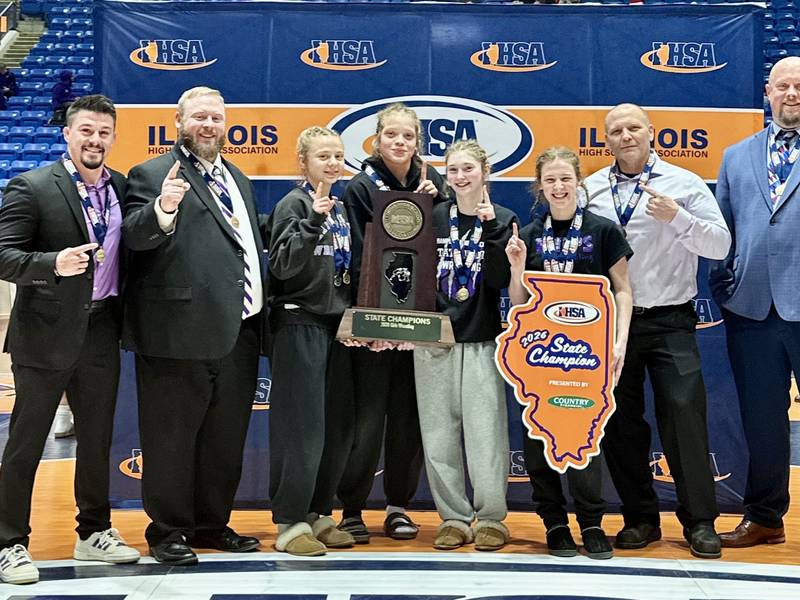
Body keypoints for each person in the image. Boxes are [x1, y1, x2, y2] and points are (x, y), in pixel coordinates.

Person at [0, 95, 140, 585]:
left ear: (113, 137)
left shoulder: (122, 188)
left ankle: (94, 531)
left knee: (98, 440)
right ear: (67, 133)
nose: (94, 140)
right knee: (26, 443)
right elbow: (3, 255)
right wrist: (50, 265)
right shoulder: (33, 187)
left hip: (102, 329)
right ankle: (8, 542)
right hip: (44, 333)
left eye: (103, 132)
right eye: (86, 130)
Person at [122, 86, 264, 565]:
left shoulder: (238, 177)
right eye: (200, 117)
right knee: (171, 438)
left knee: (223, 440)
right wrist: (162, 209)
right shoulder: (151, 173)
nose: (209, 125)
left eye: (217, 118)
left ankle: (210, 524)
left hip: (237, 330)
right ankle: (167, 530)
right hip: (176, 332)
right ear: (178, 121)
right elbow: (133, 238)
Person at [585, 103, 731, 559]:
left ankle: (700, 522)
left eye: (633, 128)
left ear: (652, 132)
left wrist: (679, 218)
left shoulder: (684, 184)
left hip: (671, 319)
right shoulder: (591, 189)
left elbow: (722, 244)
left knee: (684, 416)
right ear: (605, 140)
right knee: (621, 423)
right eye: (615, 130)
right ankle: (640, 518)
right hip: (612, 323)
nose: (625, 136)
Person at [506, 146, 632, 560]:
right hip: (540, 357)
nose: (559, 187)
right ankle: (555, 523)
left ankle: (592, 523)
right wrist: (516, 267)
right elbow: (518, 299)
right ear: (539, 187)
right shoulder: (527, 235)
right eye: (550, 180)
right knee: (540, 435)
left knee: (585, 437)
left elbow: (624, 290)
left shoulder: (602, 230)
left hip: (587, 357)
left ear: (579, 182)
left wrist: (619, 340)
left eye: (566, 179)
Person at [337, 103, 447, 543]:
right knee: (365, 422)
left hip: (418, 322)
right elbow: (361, 254)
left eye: (408, 136)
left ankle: (398, 506)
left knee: (407, 419)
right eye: (391, 135)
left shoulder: (434, 183)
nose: (400, 143)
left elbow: (443, 247)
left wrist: (431, 206)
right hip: (374, 324)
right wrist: (376, 325)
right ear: (376, 140)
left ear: (417, 142)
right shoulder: (361, 187)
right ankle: (351, 508)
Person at [710, 56, 800, 548]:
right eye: (782, 85)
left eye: (799, 86)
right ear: (767, 92)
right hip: (752, 308)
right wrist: (727, 283)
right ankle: (765, 516)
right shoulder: (735, 155)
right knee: (762, 420)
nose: (791, 93)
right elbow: (722, 228)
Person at [414, 140, 516, 551]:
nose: (459, 177)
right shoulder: (434, 216)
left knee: (485, 432)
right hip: (434, 339)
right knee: (438, 433)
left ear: (484, 172)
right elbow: (410, 270)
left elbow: (497, 282)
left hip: (481, 339)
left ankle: (491, 518)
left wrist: (491, 230)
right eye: (452, 170)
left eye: (467, 169)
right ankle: (453, 516)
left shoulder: (504, 219)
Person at [265, 126, 358, 556]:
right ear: (302, 162)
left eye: (338, 156)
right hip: (299, 324)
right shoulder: (294, 204)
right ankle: (289, 520)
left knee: (333, 429)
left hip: (337, 328)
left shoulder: (339, 209)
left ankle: (319, 512)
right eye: (323, 156)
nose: (333, 163)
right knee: (300, 429)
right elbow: (282, 266)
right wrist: (312, 220)